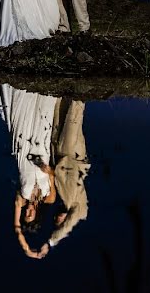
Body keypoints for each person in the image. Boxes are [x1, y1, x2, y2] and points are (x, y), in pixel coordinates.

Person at [0, 79, 59, 259]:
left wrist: (27, 250)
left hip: (24, 148)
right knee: (44, 110)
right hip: (41, 149)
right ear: (37, 216)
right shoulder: (48, 199)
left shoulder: (22, 198)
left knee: (22, 111)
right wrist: (45, 168)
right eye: (30, 215)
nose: (28, 212)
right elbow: (52, 175)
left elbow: (17, 229)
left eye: (25, 214)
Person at [48, 99, 91, 249]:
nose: (58, 218)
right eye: (59, 221)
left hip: (59, 153)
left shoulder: (61, 198)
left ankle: (65, 86)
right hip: (73, 154)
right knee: (74, 116)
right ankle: (82, 87)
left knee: (60, 109)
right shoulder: (78, 209)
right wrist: (52, 240)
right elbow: (67, 227)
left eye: (55, 219)